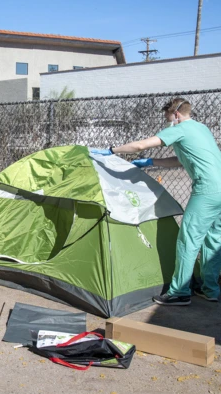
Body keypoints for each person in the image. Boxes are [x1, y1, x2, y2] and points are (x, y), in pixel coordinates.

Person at [91, 97, 221, 305]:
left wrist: (111, 150)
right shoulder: (202, 128)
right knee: (214, 240)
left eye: (167, 116)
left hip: (207, 190)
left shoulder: (181, 128)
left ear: (176, 115)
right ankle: (210, 290)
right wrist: (152, 162)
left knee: (189, 240)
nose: (166, 120)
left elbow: (141, 145)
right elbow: (181, 160)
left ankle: (179, 292)